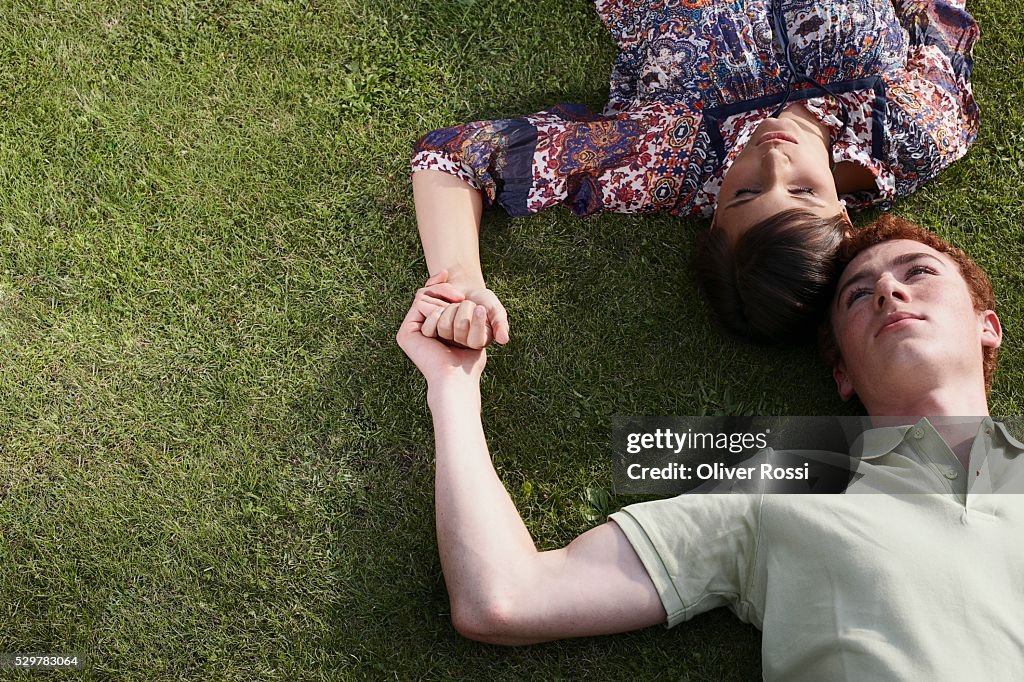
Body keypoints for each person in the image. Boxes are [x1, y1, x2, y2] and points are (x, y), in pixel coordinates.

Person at [396, 215, 1024, 680]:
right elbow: (504, 597)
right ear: (842, 375)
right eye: (858, 295)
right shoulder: (792, 480)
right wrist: (452, 389)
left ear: (986, 325)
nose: (890, 292)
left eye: (920, 273)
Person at [410, 0, 980, 343]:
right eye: (802, 191)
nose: (774, 158)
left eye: (745, 192)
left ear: (712, 218)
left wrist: (460, 277)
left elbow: (459, 158)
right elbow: (938, 15)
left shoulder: (670, 159)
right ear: (843, 217)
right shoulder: (913, 131)